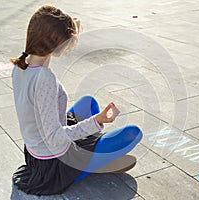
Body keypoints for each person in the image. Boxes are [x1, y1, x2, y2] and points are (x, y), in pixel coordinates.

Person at [10, 5, 142, 196]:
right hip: (54, 162)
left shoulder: (22, 64)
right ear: (57, 41)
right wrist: (98, 121)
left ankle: (92, 153)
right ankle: (87, 167)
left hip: (35, 152)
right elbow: (54, 137)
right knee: (133, 134)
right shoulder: (43, 78)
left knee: (88, 102)